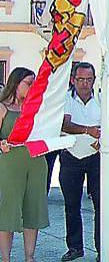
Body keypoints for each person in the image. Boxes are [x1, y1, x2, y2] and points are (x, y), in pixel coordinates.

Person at [0, 68, 48, 262]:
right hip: (10, 163)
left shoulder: (37, 108)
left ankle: (30, 257)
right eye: (29, 83)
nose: (32, 86)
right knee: (8, 210)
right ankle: (5, 258)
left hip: (36, 162)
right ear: (16, 83)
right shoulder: (3, 108)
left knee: (33, 209)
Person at [59, 62, 103, 262]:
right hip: (71, 156)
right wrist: (88, 130)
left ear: (94, 80)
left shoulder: (103, 99)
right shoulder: (65, 98)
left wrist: (102, 140)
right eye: (81, 79)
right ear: (73, 80)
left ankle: (102, 247)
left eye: (89, 79)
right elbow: (64, 124)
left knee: (101, 204)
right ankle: (75, 247)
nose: (85, 84)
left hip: (97, 158)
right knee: (71, 204)